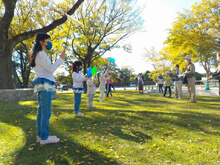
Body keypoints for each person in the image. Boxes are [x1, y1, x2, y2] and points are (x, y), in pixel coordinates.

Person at [30, 32, 65, 145]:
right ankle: (44, 138)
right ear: (42, 41)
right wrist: (61, 59)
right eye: (48, 40)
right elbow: (50, 69)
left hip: (42, 84)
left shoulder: (38, 54)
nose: (50, 43)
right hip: (44, 86)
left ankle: (41, 136)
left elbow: (44, 72)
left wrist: (55, 81)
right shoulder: (41, 54)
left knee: (41, 111)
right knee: (45, 112)